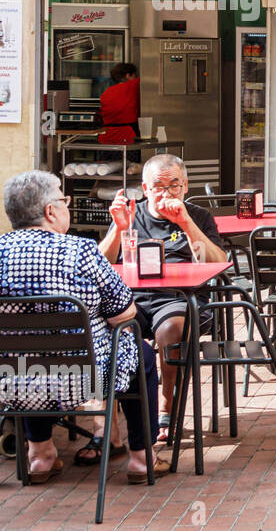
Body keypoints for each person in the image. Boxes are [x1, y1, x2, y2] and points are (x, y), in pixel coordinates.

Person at [0, 171, 158, 483]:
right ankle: (142, 458)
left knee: (26, 349)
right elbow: (125, 313)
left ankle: (40, 456)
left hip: (10, 378)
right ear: (49, 212)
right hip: (86, 381)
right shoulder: (81, 251)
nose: (66, 206)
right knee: (141, 353)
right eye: (63, 199)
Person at [99, 154, 226, 439]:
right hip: (133, 298)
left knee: (172, 329)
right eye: (158, 186)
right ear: (145, 189)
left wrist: (185, 223)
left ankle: (166, 406)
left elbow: (216, 263)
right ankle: (111, 423)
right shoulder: (132, 215)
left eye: (174, 185)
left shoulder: (198, 216)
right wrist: (119, 230)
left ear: (185, 187)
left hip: (182, 298)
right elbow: (102, 264)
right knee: (107, 327)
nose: (166, 193)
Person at [97, 62, 140, 145]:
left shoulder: (107, 92)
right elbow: (148, 78)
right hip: (126, 135)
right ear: (128, 75)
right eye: (134, 75)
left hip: (106, 136)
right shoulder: (132, 85)